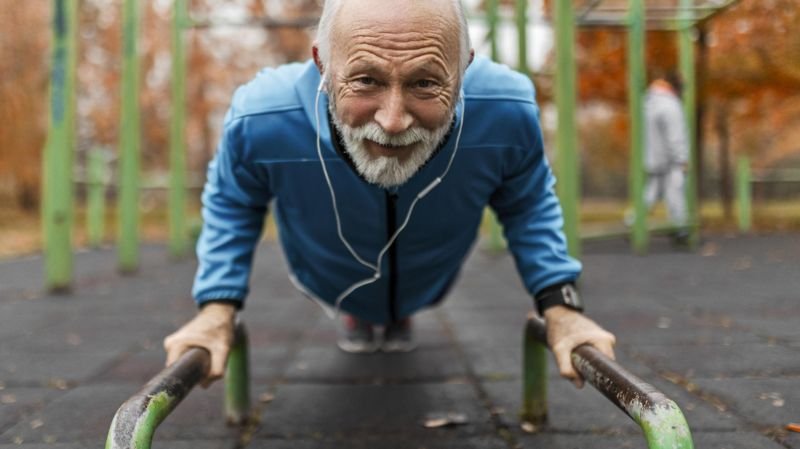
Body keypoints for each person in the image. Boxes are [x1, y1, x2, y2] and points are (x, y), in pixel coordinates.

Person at [164, 0, 616, 389]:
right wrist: (216, 307)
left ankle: (394, 311)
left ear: (464, 68)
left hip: (429, 278)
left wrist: (561, 306)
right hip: (327, 275)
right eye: (365, 81)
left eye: (424, 83)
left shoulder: (505, 110)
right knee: (358, 299)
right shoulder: (263, 116)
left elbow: (527, 202)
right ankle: (362, 312)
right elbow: (233, 200)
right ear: (323, 64)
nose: (394, 120)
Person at [643, 71, 690, 242]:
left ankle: (634, 222)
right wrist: (682, 158)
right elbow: (675, 135)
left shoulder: (649, 102)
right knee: (676, 191)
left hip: (653, 156)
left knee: (652, 192)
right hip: (670, 159)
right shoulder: (671, 105)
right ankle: (680, 228)